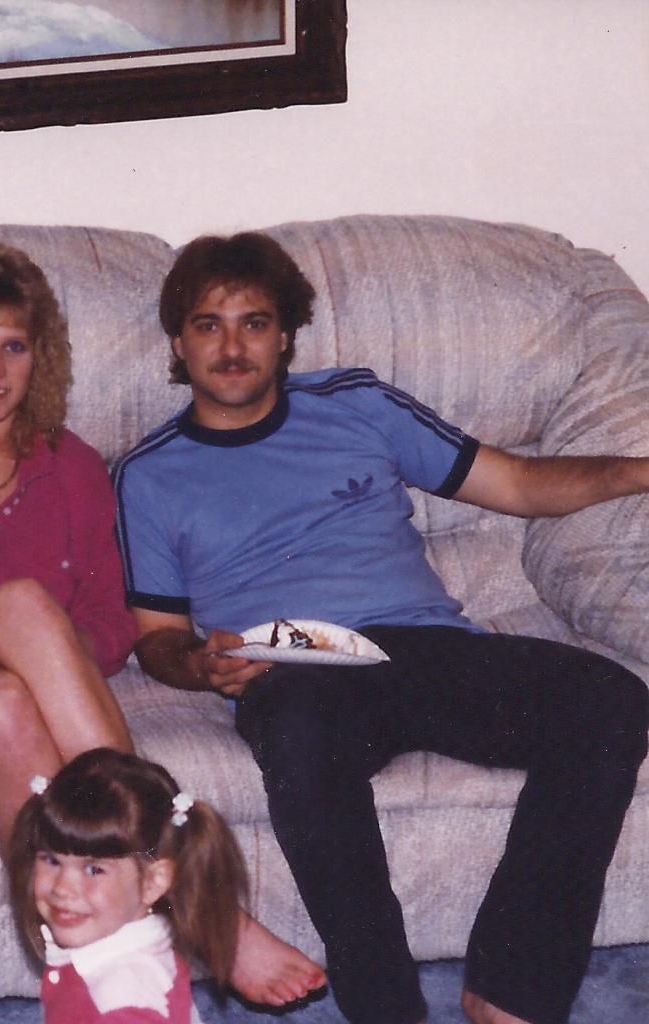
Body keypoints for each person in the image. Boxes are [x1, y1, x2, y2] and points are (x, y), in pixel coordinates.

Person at [113, 230, 649, 1024]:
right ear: (177, 343)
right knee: (299, 736)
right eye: (207, 325)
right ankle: (386, 1008)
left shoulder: (357, 403)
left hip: (424, 647)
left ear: (285, 336)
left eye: (254, 323)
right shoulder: (149, 473)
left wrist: (639, 471)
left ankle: (512, 994)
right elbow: (156, 635)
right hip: (296, 668)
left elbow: (520, 484)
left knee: (611, 700)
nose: (231, 347)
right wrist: (200, 665)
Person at [0, 239, 323, 1007]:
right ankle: (194, 883)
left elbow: (110, 625)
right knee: (23, 604)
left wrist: (34, 653)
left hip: (12, 705)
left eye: (15, 347)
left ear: (42, 357)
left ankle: (83, 978)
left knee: (0, 694)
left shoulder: (75, 466)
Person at [10, 748, 249, 1024]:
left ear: (152, 882)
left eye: (94, 870)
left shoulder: (124, 994)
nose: (63, 888)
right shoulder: (108, 954)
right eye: (51, 860)